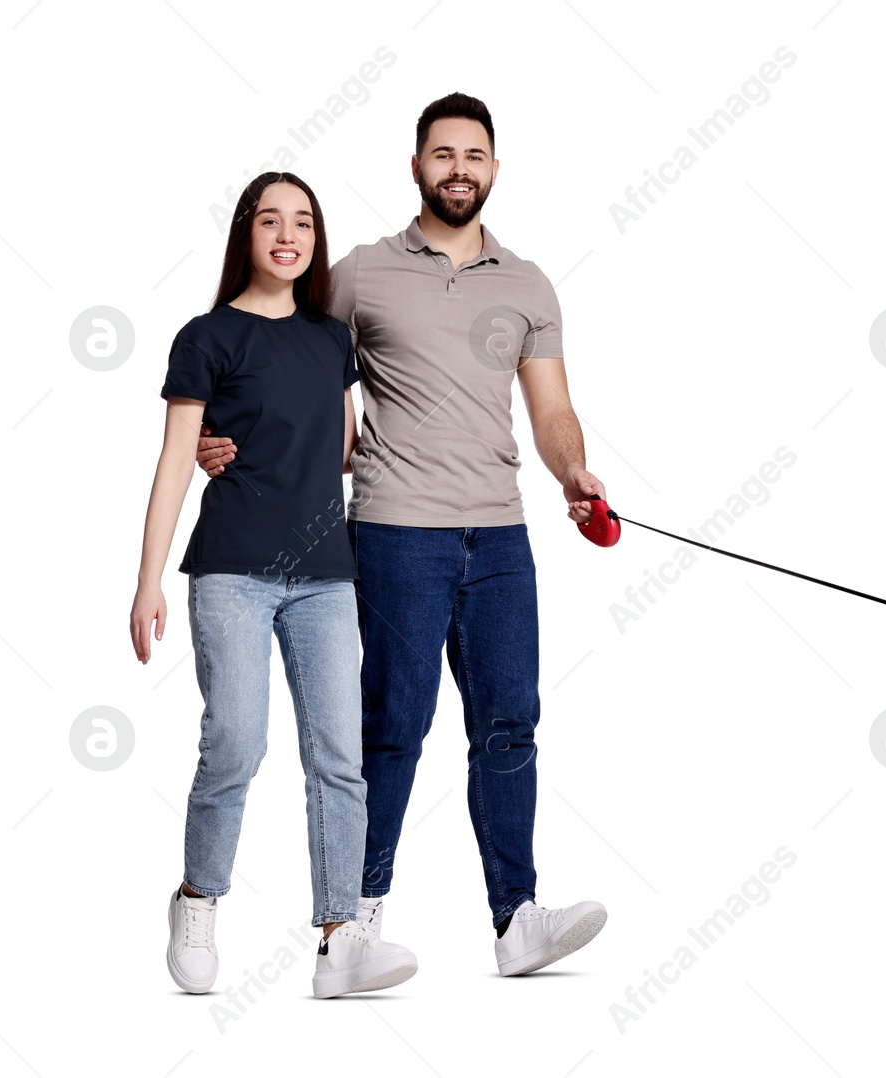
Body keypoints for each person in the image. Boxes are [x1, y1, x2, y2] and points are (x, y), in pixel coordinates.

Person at [196, 94, 608, 976]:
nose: (459, 168)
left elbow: (555, 409)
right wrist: (217, 431)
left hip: (500, 538)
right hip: (391, 529)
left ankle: (516, 919)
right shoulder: (358, 275)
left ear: (495, 169)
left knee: (511, 724)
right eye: (443, 154)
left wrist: (573, 474)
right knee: (391, 727)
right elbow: (282, 356)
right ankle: (357, 920)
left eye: (475, 155)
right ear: (416, 166)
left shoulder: (528, 284)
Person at [132, 171, 419, 999]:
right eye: (270, 220)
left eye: (302, 222)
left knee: (339, 756)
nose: (287, 234)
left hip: (326, 578)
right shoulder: (206, 338)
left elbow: (338, 450)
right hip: (230, 571)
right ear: (246, 235)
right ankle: (197, 901)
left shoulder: (333, 341)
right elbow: (170, 464)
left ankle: (340, 943)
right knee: (237, 743)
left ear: (315, 241)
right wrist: (147, 581)